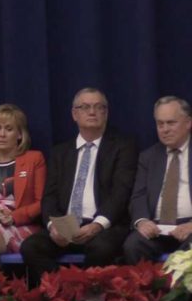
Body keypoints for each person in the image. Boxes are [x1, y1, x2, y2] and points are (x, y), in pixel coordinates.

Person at [20, 88, 138, 282]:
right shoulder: (60, 152)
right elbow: (49, 196)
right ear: (74, 114)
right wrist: (53, 226)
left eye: (98, 107)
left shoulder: (123, 148)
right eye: (85, 107)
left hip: (103, 227)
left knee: (102, 249)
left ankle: (87, 296)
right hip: (66, 227)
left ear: (106, 113)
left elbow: (121, 193)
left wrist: (97, 225)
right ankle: (63, 291)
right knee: (31, 247)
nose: (92, 112)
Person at [124, 96, 192, 263]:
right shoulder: (148, 157)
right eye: (160, 124)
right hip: (157, 227)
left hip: (189, 225)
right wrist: (142, 221)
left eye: (171, 123)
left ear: (188, 123)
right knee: (133, 245)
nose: (165, 129)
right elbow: (138, 195)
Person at [0, 104, 46, 254]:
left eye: (9, 129)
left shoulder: (34, 159)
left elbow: (42, 203)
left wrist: (13, 217)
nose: (2, 134)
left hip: (20, 226)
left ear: (19, 134)